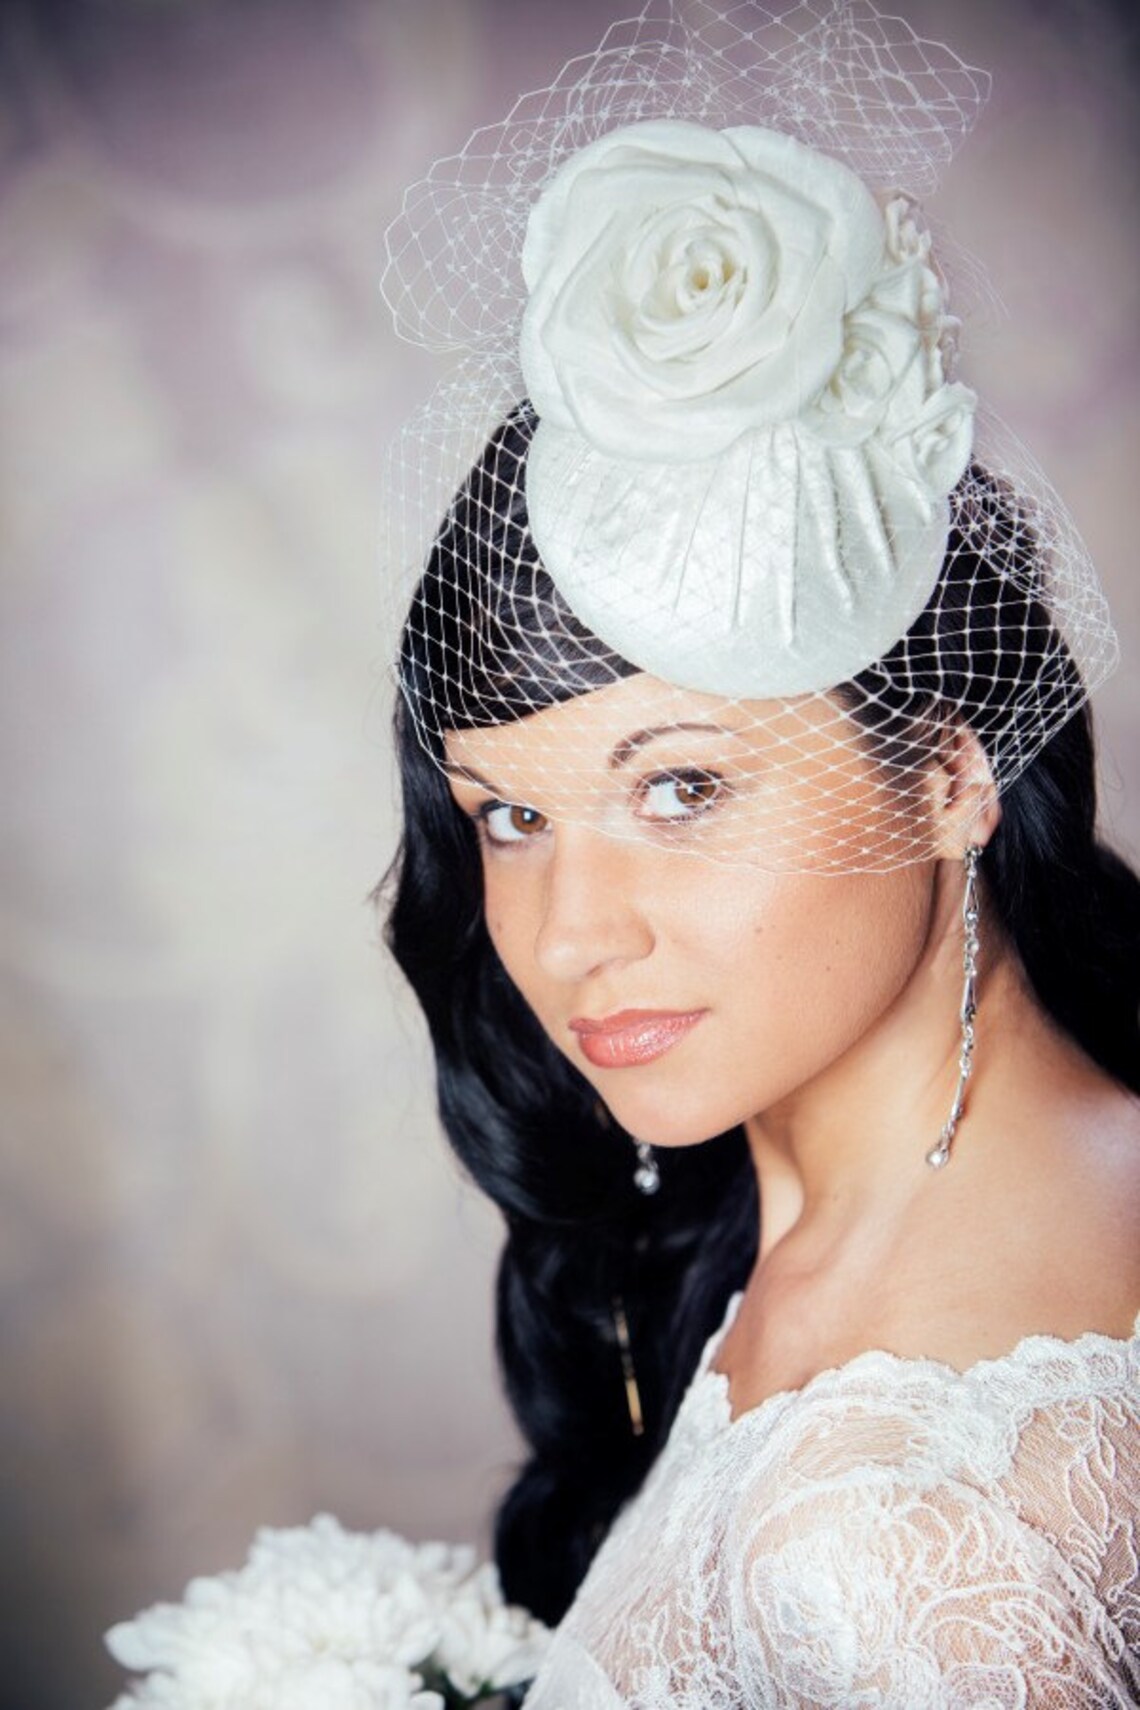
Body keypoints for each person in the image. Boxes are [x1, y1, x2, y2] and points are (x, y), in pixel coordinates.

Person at [380, 4, 1140, 1703]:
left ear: (952, 771)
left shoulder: (910, 1543)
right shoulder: (809, 1211)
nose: (574, 934)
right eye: (510, 814)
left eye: (682, 789)